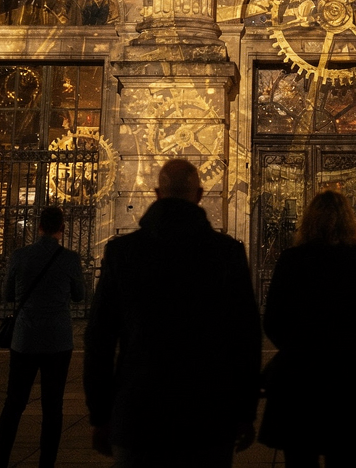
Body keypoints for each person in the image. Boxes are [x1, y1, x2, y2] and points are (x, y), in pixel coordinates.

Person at [85, 158, 261, 468]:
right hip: (208, 415)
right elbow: (245, 340)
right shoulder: (226, 253)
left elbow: (99, 340)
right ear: (200, 194)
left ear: (157, 193)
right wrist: (244, 413)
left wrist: (101, 414)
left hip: (140, 413)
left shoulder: (123, 252)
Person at [260, 189, 356, 468]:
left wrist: (297, 347)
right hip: (348, 377)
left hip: (299, 376)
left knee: (299, 458)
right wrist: (348, 346)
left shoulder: (291, 261)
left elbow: (273, 321)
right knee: (343, 460)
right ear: (350, 222)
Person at [0, 203, 85, 468]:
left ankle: (0, 461)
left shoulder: (20, 256)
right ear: (62, 229)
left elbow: (8, 294)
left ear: (39, 226)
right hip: (58, 339)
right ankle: (47, 463)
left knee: (14, 403)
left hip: (25, 338)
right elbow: (79, 296)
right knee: (53, 406)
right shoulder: (70, 258)